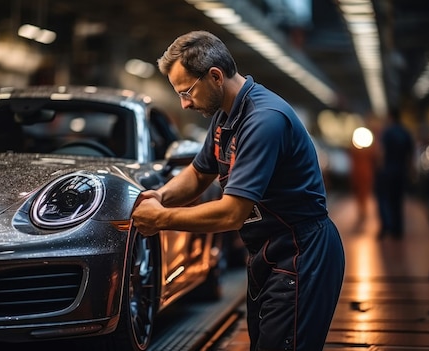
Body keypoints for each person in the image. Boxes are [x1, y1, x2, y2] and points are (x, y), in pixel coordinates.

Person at [131, 30, 345, 351]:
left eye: (186, 91)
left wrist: (161, 218)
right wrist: (159, 196)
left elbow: (233, 213)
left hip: (302, 253)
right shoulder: (224, 117)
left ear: (215, 76)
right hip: (266, 254)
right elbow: (197, 174)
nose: (184, 104)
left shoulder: (264, 121)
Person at [375, 107, 415, 239]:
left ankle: (387, 225)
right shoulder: (406, 133)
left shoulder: (387, 132)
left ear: (390, 117)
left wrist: (379, 169)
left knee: (384, 199)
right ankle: (398, 230)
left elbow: (382, 152)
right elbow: (410, 156)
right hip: (401, 172)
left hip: (387, 172)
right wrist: (410, 171)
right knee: (398, 201)